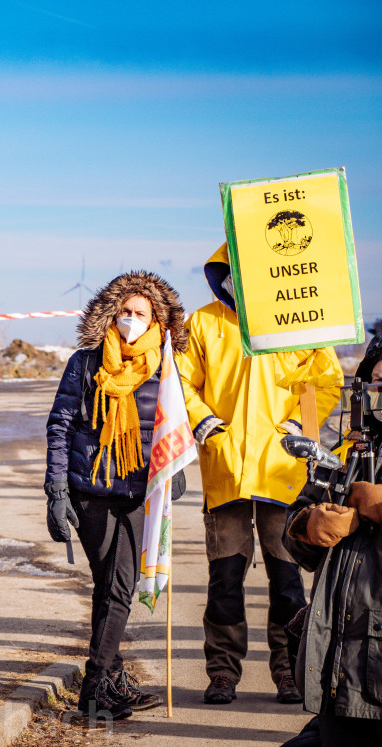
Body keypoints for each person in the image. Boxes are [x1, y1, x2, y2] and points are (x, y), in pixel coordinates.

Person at [176, 242, 342, 706]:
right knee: (224, 580)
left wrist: (298, 426)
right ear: (224, 271)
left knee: (287, 580)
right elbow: (182, 379)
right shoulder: (205, 322)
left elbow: (325, 379)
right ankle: (223, 673)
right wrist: (204, 421)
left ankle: (289, 672)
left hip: (281, 472)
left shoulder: (296, 322)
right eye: (236, 270)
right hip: (225, 470)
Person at [44, 271, 188, 719]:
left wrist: (176, 468)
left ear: (157, 320)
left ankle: (99, 682)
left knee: (117, 588)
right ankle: (101, 684)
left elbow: (176, 421)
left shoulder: (166, 366)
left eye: (140, 313)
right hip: (91, 493)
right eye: (124, 311)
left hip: (142, 492)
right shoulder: (85, 363)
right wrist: (56, 488)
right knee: (112, 587)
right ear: (110, 314)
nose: (130, 319)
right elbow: (60, 426)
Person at [279, 334, 382, 746]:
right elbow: (295, 537)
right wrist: (309, 526)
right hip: (340, 660)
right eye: (377, 382)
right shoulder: (349, 451)